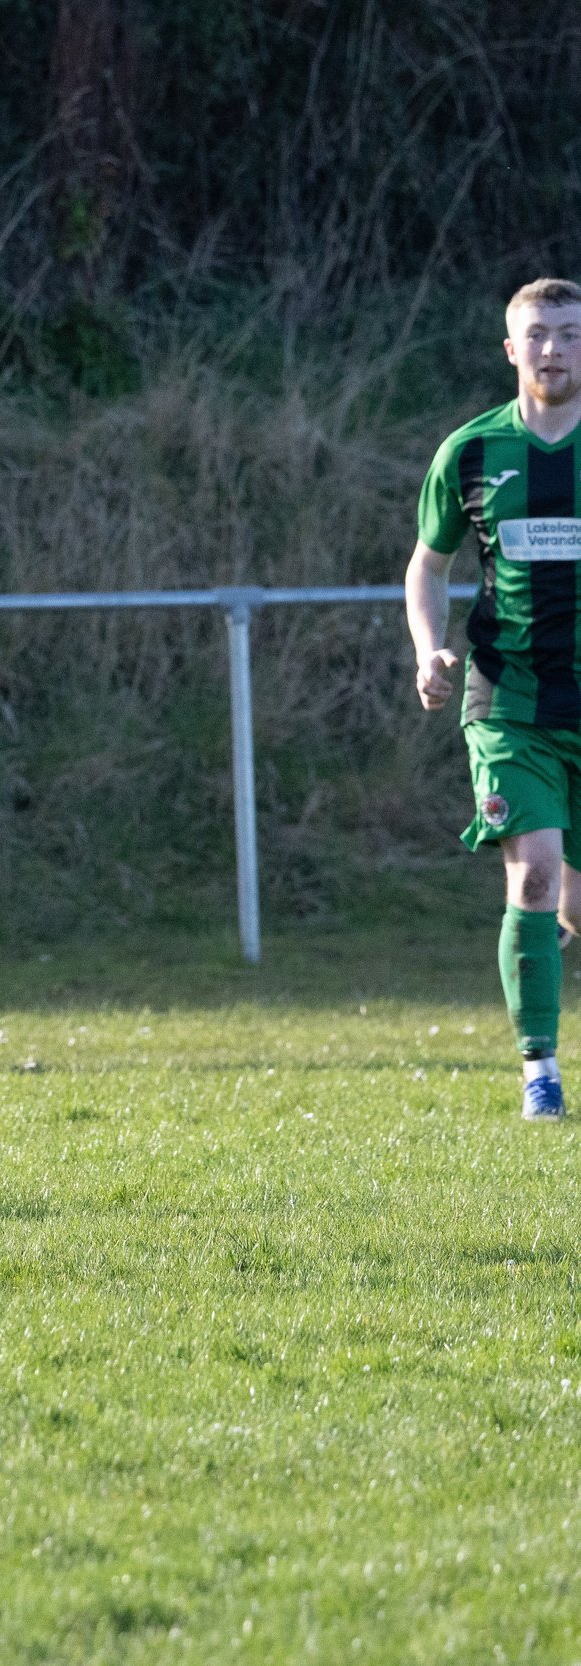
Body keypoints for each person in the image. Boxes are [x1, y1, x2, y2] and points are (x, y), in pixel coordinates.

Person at [406, 276, 581, 1121]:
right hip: (510, 704)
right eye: (539, 334)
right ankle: (539, 1072)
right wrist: (429, 648)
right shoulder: (470, 452)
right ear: (512, 349)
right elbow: (427, 567)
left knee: (576, 905)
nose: (554, 348)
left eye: (570, 333)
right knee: (538, 877)